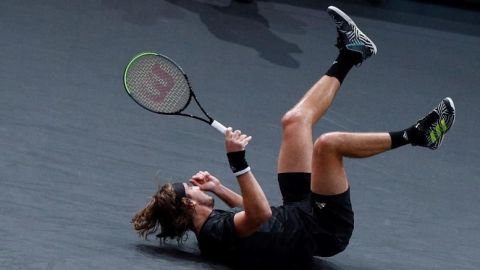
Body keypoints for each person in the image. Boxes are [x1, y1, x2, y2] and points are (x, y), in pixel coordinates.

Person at [131, 6, 456, 267]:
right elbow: (261, 214)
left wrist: (219, 189)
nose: (195, 184)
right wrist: (238, 162)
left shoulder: (212, 225)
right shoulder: (215, 233)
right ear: (188, 202)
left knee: (294, 121)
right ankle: (418, 135)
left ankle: (353, 53)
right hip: (323, 228)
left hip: (298, 210)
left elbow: (256, 216)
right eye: (192, 188)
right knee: (329, 145)